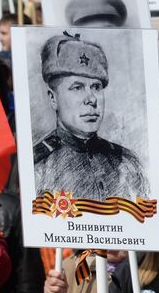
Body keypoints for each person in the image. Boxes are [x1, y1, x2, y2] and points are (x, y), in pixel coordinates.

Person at [32, 32, 149, 202]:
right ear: (53, 98)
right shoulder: (38, 167)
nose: (91, 99)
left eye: (96, 87)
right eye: (77, 87)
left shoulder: (128, 163)